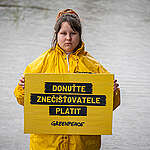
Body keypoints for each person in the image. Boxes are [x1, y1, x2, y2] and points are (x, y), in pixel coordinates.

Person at [14, 9, 120, 150]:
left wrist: (111, 93)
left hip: (82, 144)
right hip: (46, 144)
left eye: (73, 33)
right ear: (56, 35)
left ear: (80, 36)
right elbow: (22, 101)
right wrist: (23, 89)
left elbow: (109, 107)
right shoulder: (39, 65)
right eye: (63, 33)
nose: (68, 38)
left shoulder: (94, 67)